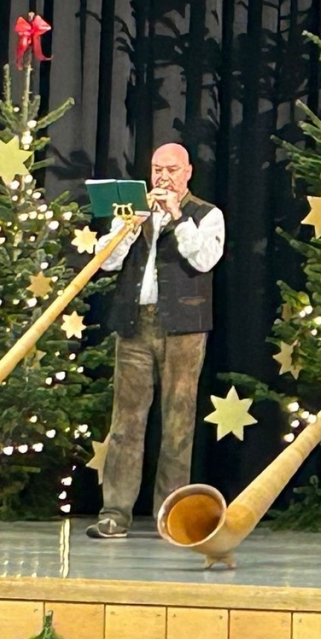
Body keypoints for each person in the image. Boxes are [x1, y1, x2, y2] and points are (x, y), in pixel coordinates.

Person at [87, 143, 225, 539]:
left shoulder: (207, 214)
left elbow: (204, 260)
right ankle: (115, 512)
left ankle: (171, 517)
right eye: (157, 169)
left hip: (183, 328)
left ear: (187, 173)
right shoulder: (133, 211)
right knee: (126, 422)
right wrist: (130, 226)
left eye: (171, 170)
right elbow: (106, 261)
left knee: (178, 423)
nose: (163, 177)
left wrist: (177, 217)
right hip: (136, 325)